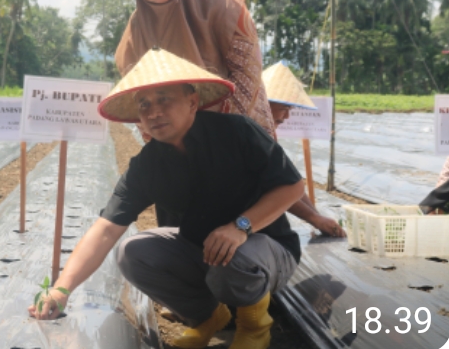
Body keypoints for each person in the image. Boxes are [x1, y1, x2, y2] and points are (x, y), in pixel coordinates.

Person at [30, 48, 304, 349]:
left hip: (266, 250)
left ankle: (254, 326)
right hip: (204, 251)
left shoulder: (236, 132)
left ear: (192, 102)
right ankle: (207, 318)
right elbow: (106, 228)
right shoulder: (148, 165)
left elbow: (292, 187)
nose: (153, 112)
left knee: (233, 254)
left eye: (164, 99)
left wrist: (241, 227)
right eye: (144, 104)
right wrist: (61, 289)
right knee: (133, 253)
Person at [105, 0, 275, 231]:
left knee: (245, 222)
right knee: (183, 227)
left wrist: (216, 142)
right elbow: (137, 90)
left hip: (234, 132)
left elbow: (246, 78)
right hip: (176, 140)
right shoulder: (136, 29)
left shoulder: (223, 4)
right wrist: (172, 140)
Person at [262, 61, 346, 238]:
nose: (287, 116)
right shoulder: (250, 135)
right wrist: (314, 218)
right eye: (284, 108)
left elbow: (289, 179)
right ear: (262, 103)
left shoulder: (269, 133)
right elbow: (275, 187)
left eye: (290, 109)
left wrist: (318, 216)